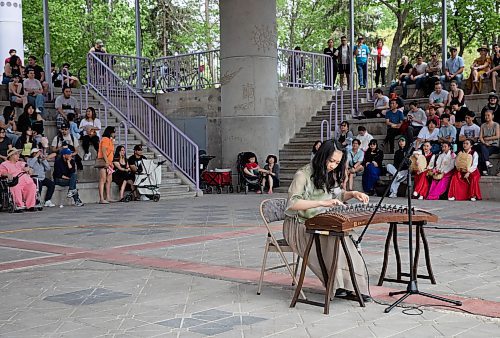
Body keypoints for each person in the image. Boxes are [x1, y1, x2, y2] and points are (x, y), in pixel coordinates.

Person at [284, 140, 370, 300]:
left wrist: (352, 194)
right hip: (299, 226)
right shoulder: (302, 174)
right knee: (334, 239)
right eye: (331, 161)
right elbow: (293, 203)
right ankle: (336, 284)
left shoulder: (328, 174)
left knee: (348, 236)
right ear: (322, 156)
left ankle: (351, 285)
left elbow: (336, 195)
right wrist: (322, 203)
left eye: (337, 162)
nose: (333, 166)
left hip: (319, 221)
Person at [477, 110, 499, 175]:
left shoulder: (496, 125)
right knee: (482, 147)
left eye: (488, 115)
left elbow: (497, 136)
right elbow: (480, 137)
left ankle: (484, 170)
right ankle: (486, 162)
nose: (486, 117)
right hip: (484, 144)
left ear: (492, 116)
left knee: (481, 153)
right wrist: (484, 142)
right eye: (485, 115)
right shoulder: (483, 125)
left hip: (494, 145)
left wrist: (487, 138)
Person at [97, 126, 116, 203]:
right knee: (103, 179)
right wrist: (107, 161)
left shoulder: (110, 140)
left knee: (109, 180)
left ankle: (108, 196)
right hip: (104, 161)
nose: (114, 134)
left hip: (109, 162)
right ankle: (101, 198)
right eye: (113, 132)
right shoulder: (105, 139)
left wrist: (111, 162)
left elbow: (111, 152)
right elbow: (104, 151)